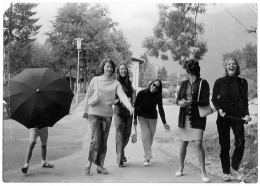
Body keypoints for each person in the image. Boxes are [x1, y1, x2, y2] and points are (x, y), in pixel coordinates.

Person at [83, 59, 134, 175]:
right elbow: (88, 95)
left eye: (111, 67)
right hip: (94, 114)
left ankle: (100, 166)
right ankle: (89, 162)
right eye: (107, 66)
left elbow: (123, 96)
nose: (109, 69)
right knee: (95, 140)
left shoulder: (116, 83)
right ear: (103, 67)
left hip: (107, 115)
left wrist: (130, 107)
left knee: (103, 142)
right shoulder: (95, 80)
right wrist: (85, 111)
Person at [211, 58, 251, 182]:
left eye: (233, 64)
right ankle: (226, 172)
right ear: (226, 67)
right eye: (229, 64)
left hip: (238, 117)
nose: (231, 66)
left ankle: (234, 167)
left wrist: (247, 114)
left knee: (241, 143)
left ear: (237, 67)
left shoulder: (243, 82)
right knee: (225, 145)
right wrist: (219, 110)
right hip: (223, 117)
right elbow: (214, 99)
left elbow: (244, 101)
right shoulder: (219, 82)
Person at [175, 59, 210, 183]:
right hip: (184, 117)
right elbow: (177, 99)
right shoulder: (184, 84)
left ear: (189, 71)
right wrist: (179, 102)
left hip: (197, 118)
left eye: (187, 70)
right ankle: (180, 167)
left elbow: (206, 101)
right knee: (184, 143)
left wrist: (192, 102)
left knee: (198, 143)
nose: (186, 72)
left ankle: (203, 172)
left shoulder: (203, 83)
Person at [133, 79, 170, 166]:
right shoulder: (141, 93)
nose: (154, 87)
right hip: (142, 116)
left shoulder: (158, 96)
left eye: (157, 87)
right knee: (145, 135)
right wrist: (134, 119)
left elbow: (161, 109)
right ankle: (147, 157)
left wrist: (164, 122)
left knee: (151, 136)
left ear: (158, 89)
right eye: (153, 85)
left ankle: (147, 153)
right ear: (151, 84)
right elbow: (136, 106)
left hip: (153, 118)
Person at [113, 63, 135, 167]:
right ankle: (120, 159)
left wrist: (132, 100)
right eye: (121, 69)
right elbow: (113, 100)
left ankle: (121, 152)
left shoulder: (129, 83)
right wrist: (121, 101)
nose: (123, 71)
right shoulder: (115, 83)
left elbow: (132, 98)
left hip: (128, 113)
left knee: (126, 135)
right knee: (120, 135)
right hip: (118, 112)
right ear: (118, 71)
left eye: (125, 69)